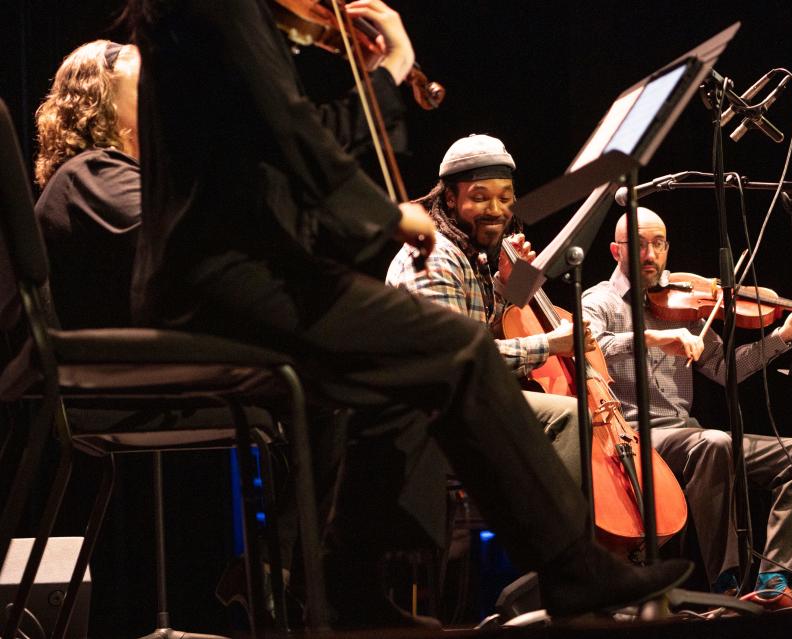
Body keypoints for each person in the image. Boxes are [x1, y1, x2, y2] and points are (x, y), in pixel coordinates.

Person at [124, 0, 691, 629]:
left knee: (402, 383)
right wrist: (390, 81)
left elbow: (294, 140)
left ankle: (352, 589)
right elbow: (299, 144)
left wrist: (376, 108)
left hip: (240, 273)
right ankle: (572, 567)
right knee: (459, 350)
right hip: (222, 283)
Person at [582, 207, 792, 609]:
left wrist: (783, 335)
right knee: (713, 443)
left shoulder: (681, 302)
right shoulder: (601, 300)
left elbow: (727, 368)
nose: (650, 254)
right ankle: (726, 587)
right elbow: (588, 345)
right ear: (614, 251)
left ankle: (773, 579)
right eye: (638, 245)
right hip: (632, 436)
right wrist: (655, 339)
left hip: (686, 433)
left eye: (658, 243)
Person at [386, 134, 593, 484]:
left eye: (505, 197)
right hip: (434, 410)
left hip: (464, 397)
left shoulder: (467, 253)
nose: (496, 210)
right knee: (570, 416)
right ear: (450, 198)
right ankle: (556, 535)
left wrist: (504, 287)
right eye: (480, 197)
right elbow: (462, 359)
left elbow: (479, 331)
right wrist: (552, 345)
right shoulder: (435, 259)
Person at [34, 40, 142, 329]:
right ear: (98, 91)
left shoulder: (95, 175)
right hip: (128, 365)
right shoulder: (91, 173)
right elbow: (177, 245)